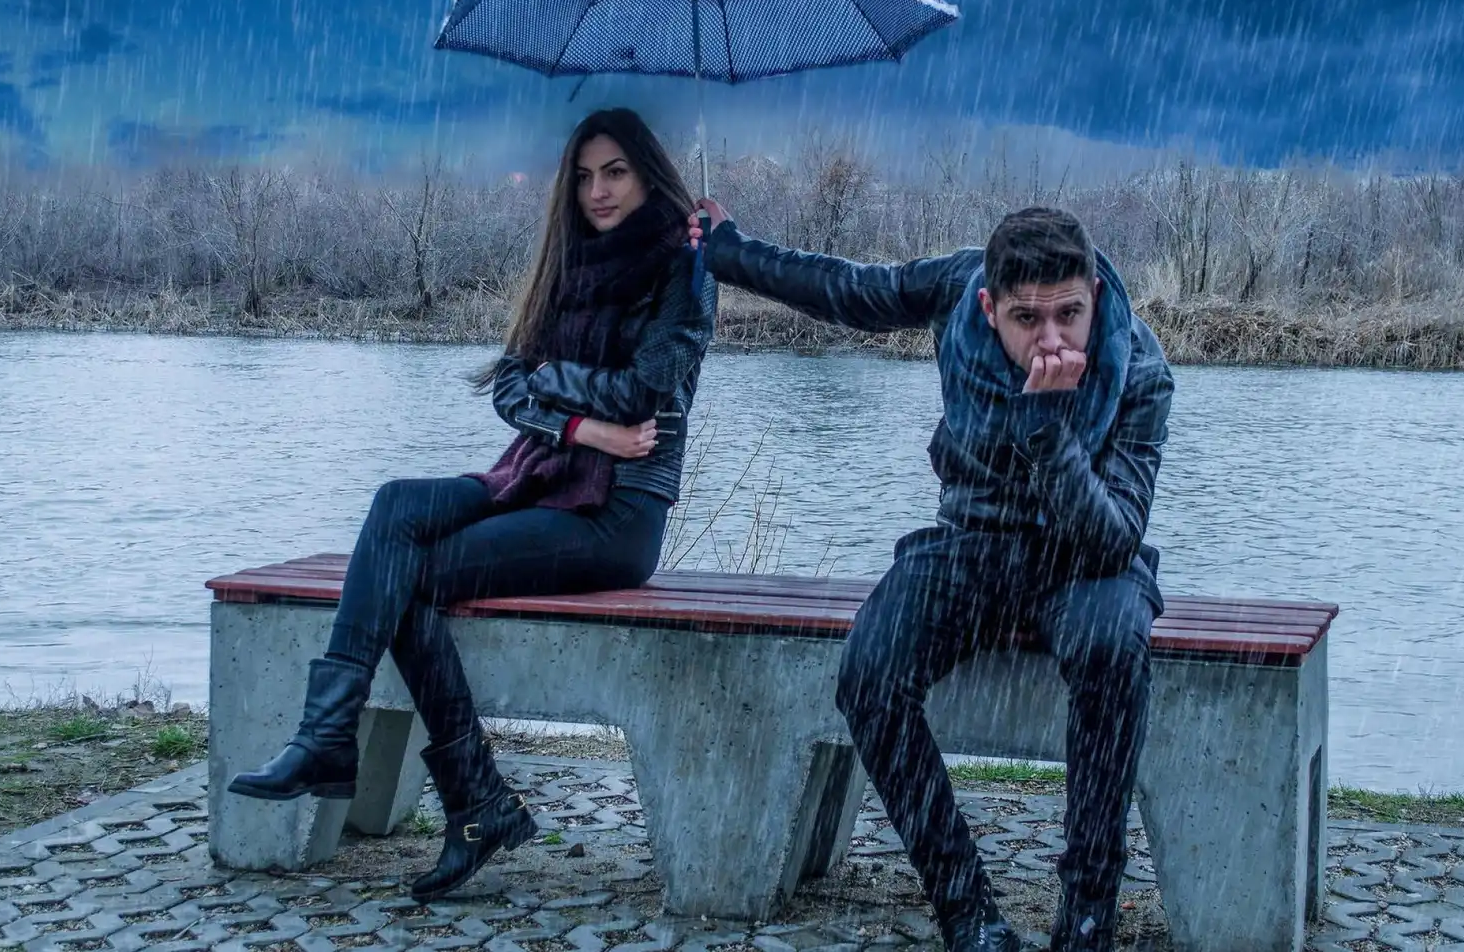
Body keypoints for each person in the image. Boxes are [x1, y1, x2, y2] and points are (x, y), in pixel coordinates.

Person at [229, 108, 717, 903]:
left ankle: (471, 798)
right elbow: (510, 389)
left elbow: (647, 390)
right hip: (535, 474)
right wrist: (580, 424)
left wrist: (555, 381)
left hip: (617, 516)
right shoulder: (568, 264)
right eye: (584, 176)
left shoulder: (687, 268)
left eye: (616, 172)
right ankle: (330, 737)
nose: (597, 191)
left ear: (648, 175)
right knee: (396, 506)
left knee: (409, 577)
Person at [688, 201, 1172, 952]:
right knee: (870, 672)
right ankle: (967, 911)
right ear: (988, 307)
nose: (1051, 340)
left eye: (1069, 315)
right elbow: (846, 290)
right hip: (972, 541)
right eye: (1027, 319)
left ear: (1095, 297)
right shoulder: (954, 289)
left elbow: (1114, 539)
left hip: (1087, 561)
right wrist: (728, 251)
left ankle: (1086, 915)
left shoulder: (1138, 366)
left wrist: (1048, 431)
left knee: (1112, 646)